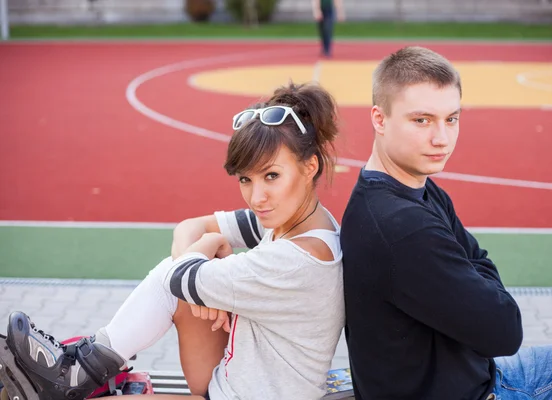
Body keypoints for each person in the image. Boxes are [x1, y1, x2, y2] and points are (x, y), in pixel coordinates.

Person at [1, 82, 345, 400]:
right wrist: (201, 270)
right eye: (245, 179)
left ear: (310, 166)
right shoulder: (301, 219)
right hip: (234, 376)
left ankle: (82, 369)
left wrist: (203, 256)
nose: (257, 198)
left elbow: (177, 276)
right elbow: (189, 227)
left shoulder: (297, 259)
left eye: (272, 175)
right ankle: (84, 367)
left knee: (178, 274)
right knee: (186, 275)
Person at [340, 46, 552, 400]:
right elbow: (505, 331)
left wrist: (473, 271)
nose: (441, 139)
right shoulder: (404, 229)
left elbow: (479, 265)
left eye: (451, 119)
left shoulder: (411, 191)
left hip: (471, 374)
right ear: (379, 119)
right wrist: (475, 273)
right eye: (422, 120)